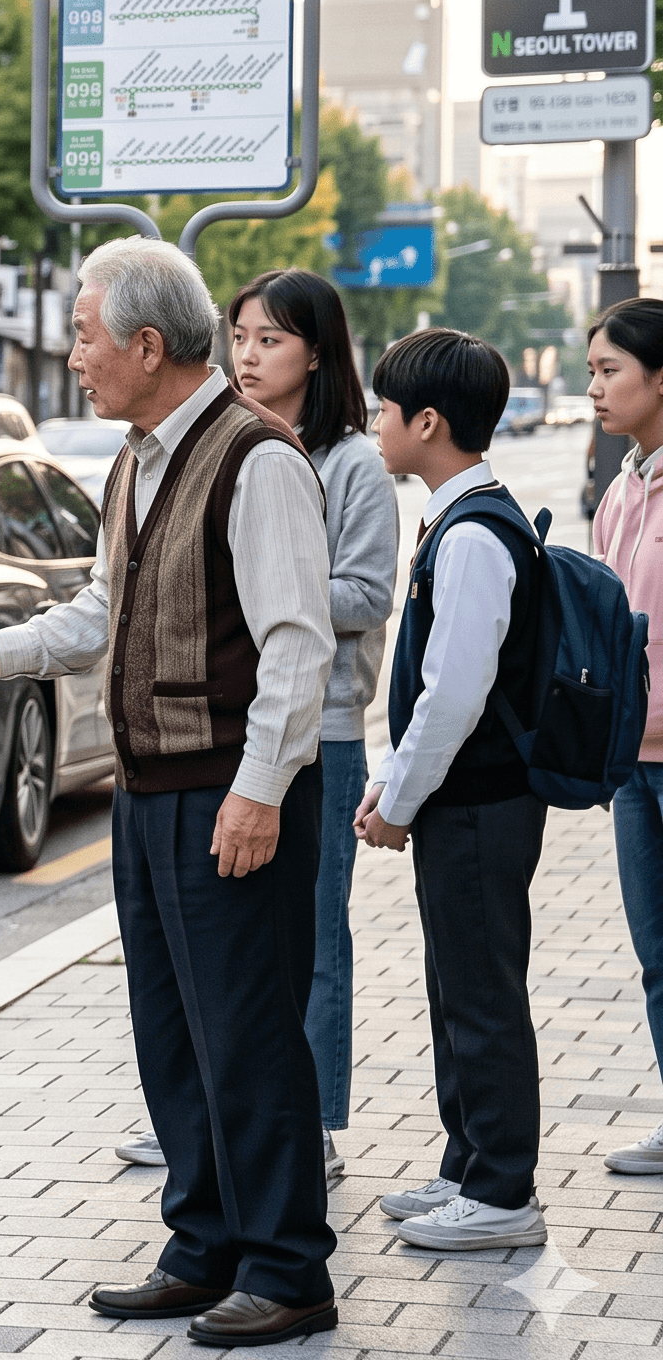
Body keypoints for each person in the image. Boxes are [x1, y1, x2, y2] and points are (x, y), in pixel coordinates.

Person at [0, 237, 339, 1348]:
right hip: (151, 796)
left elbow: (296, 646)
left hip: (230, 797)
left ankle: (287, 1268)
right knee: (172, 1033)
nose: (73, 357)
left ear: (150, 345)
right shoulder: (136, 459)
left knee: (247, 1035)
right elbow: (103, 610)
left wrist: (257, 790)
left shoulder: (259, 461)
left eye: (86, 335)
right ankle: (203, 1246)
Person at [113, 270, 398, 1181]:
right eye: (241, 334)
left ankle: (297, 1142)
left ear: (317, 351)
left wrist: (257, 574)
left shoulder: (308, 460)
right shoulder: (153, 453)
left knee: (286, 971)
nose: (249, 353)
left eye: (271, 338)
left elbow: (324, 619)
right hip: (181, 769)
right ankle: (210, 1211)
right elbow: (112, 600)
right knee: (190, 1002)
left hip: (299, 743)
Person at [355, 327, 549, 1250]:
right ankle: (467, 1163)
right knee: (455, 983)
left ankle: (504, 1192)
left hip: (479, 801)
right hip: (465, 801)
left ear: (427, 422)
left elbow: (453, 692)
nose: (374, 423)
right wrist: (395, 781)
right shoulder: (463, 516)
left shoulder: (474, 534)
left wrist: (400, 799)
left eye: (384, 409)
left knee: (481, 992)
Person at [587, 297, 663, 1174]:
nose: (597, 388)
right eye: (594, 372)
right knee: (657, 956)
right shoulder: (621, 490)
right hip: (634, 763)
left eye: (611, 371)